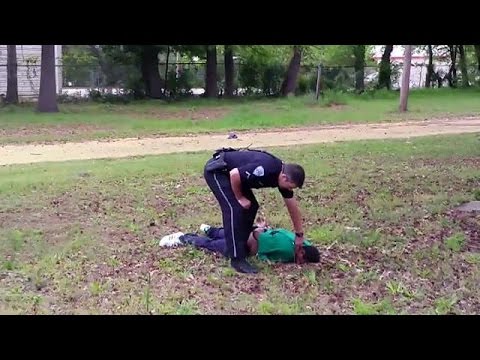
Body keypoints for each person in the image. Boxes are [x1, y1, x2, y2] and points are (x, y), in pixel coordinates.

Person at [203, 147, 306, 273]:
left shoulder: (282, 177)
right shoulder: (267, 169)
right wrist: (240, 198)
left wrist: (299, 234)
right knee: (234, 208)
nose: (290, 190)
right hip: (218, 172)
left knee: (252, 206)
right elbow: (234, 174)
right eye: (291, 187)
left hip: (236, 177)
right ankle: (237, 259)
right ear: (284, 178)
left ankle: (239, 243)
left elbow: (292, 206)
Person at [179, 223, 320, 264]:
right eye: (303, 260)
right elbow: (260, 243)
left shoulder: (302, 241)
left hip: (250, 231)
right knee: (215, 245)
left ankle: (209, 229)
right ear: (301, 251)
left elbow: (279, 232)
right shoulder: (288, 251)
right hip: (248, 242)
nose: (301, 263)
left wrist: (261, 229)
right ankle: (183, 238)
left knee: (226, 234)